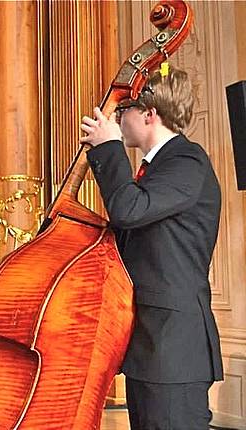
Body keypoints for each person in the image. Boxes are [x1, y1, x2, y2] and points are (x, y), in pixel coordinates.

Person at [79, 65, 223, 429]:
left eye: (123, 110)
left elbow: (129, 209)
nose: (118, 119)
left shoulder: (187, 160)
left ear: (148, 114)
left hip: (173, 348)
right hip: (151, 345)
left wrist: (108, 147)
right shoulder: (158, 169)